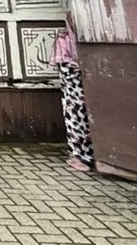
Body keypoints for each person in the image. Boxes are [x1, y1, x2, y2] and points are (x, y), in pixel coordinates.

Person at [49, 18, 94, 172]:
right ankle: (77, 155)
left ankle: (90, 156)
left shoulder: (85, 40)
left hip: (88, 91)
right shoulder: (63, 40)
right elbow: (65, 69)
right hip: (74, 93)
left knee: (89, 121)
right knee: (76, 120)